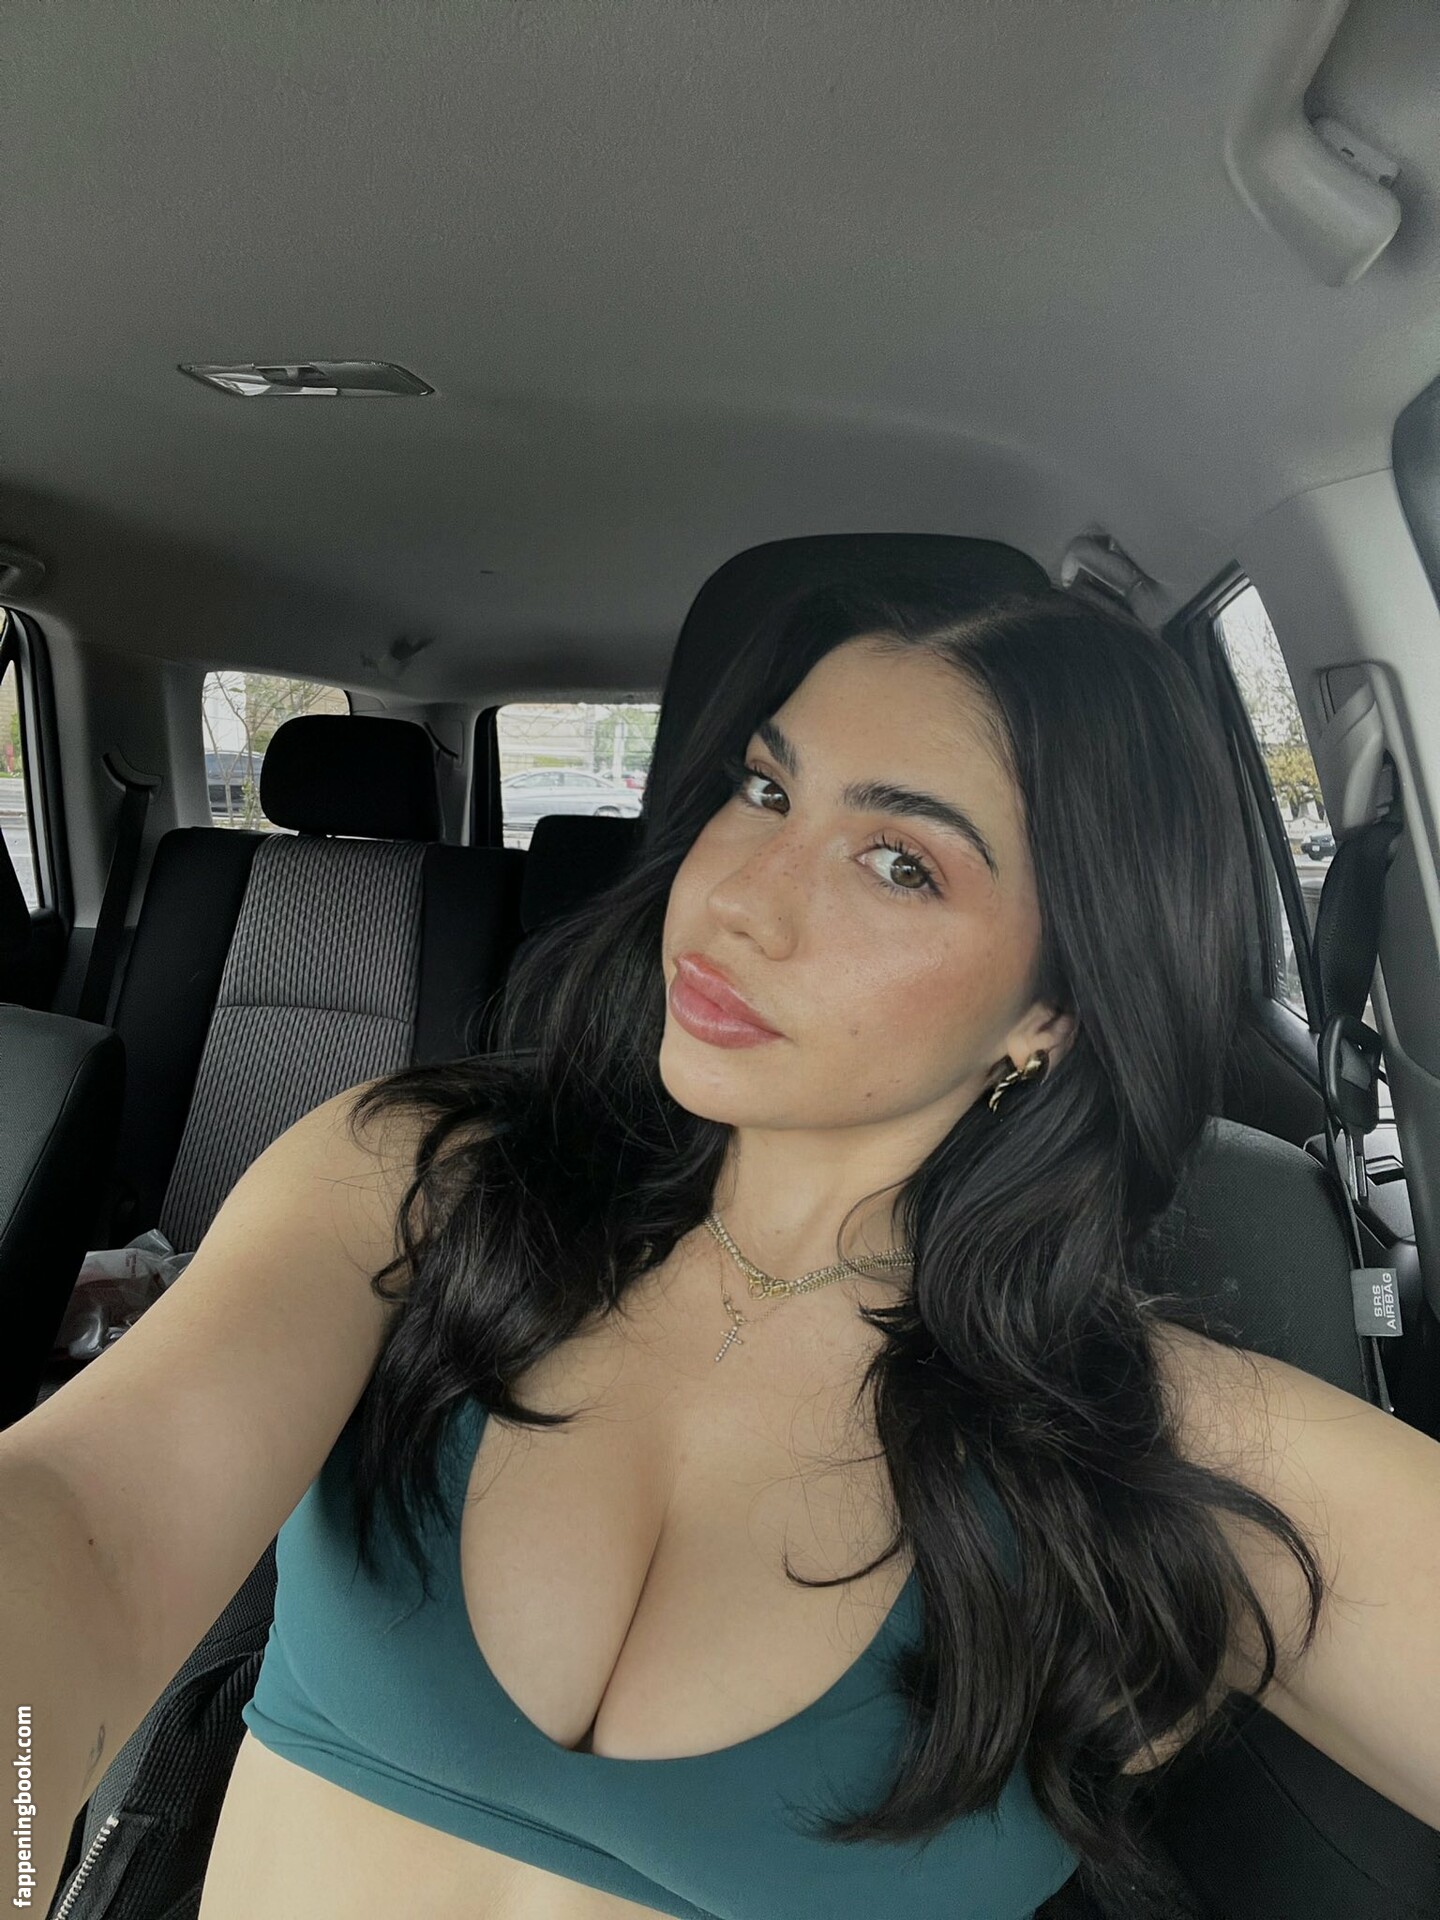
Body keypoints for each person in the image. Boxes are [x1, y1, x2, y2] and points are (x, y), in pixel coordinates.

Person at [9, 581, 1440, 1920]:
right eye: (765, 790)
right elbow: (88, 1519)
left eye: (900, 863)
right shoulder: (422, 1184)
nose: (741, 896)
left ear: (1051, 1011)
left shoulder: (1165, 1446)